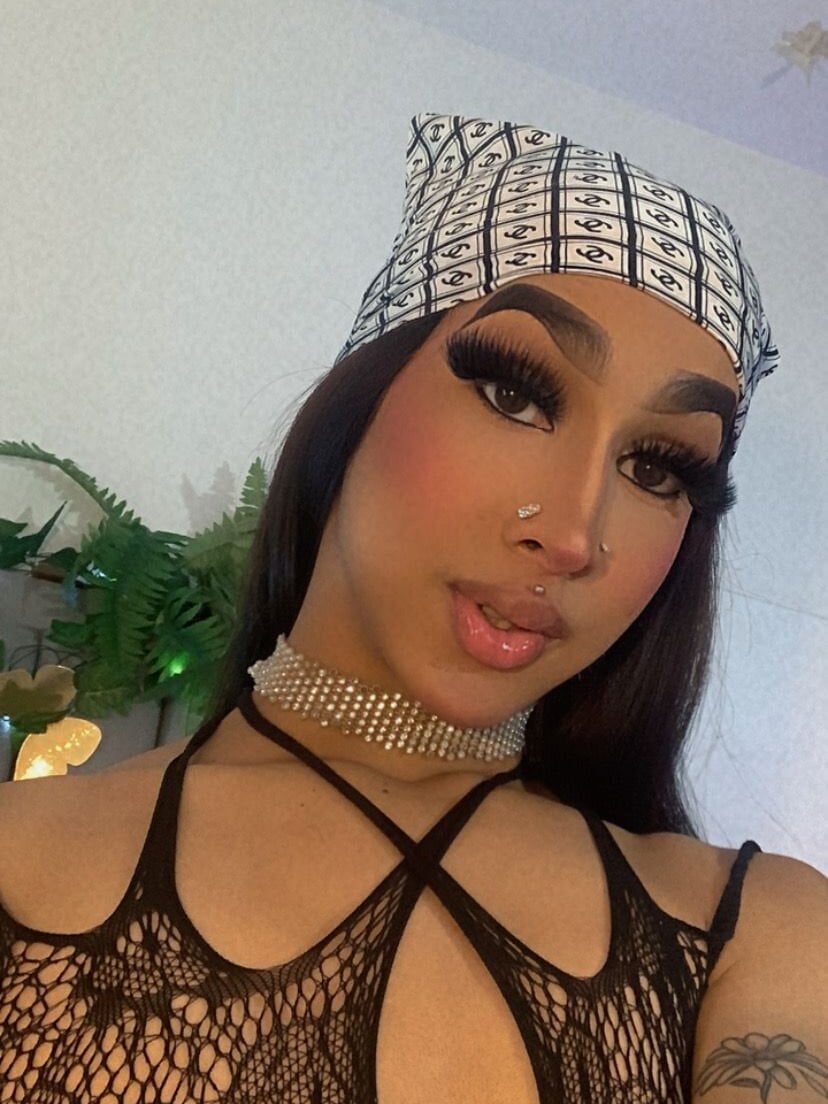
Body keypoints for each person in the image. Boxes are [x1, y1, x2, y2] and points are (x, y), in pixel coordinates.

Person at [0, 111, 825, 1103]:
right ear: (359, 400)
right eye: (517, 396)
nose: (573, 534)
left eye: (658, 467)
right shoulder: (17, 858)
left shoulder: (762, 931)